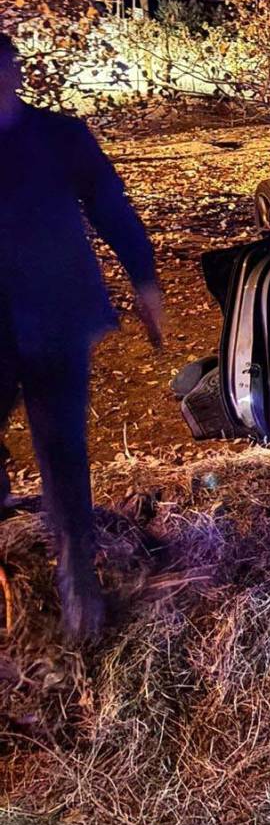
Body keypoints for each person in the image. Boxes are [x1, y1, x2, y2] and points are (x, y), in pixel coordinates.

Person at [0, 32, 163, 641]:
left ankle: (79, 581)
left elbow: (110, 206)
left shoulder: (59, 136)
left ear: (12, 70)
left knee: (61, 447)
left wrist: (145, 282)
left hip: (57, 315)